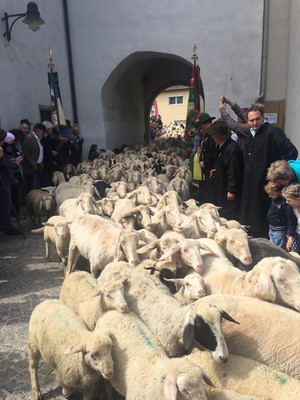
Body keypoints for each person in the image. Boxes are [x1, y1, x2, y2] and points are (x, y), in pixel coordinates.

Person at [239, 103, 298, 238]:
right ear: (247, 121)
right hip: (250, 185)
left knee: (262, 216)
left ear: (263, 117)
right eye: (251, 120)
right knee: (250, 216)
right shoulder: (252, 134)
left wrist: (278, 175)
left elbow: (291, 153)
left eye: (257, 119)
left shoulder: (273, 132)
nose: (254, 122)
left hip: (266, 185)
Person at [206, 118, 244, 220]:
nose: (212, 137)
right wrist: (217, 170)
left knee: (228, 212)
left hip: (227, 189)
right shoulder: (224, 147)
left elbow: (234, 169)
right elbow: (225, 165)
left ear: (217, 136)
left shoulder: (231, 149)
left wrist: (231, 190)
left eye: (213, 135)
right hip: (222, 185)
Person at [190, 112, 217, 203]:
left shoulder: (212, 135)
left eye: (201, 126)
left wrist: (205, 162)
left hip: (211, 168)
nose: (201, 129)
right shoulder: (208, 135)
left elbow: (213, 152)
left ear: (205, 124)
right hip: (207, 168)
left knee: (210, 191)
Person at [0, 128, 22, 235]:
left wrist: (9, 160)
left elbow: (4, 160)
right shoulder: (0, 149)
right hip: (3, 180)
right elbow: (5, 165)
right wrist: (16, 164)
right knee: (6, 203)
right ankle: (7, 227)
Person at [22, 123, 46, 192]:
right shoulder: (29, 138)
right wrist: (33, 164)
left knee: (37, 185)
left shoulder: (38, 139)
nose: (44, 134)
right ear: (38, 131)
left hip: (38, 166)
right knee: (33, 187)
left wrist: (40, 162)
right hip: (32, 167)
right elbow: (25, 154)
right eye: (43, 132)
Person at [264, 181, 288, 249]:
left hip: (280, 230)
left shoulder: (283, 202)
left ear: (279, 192)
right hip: (271, 228)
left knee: (279, 248)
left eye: (272, 194)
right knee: (272, 246)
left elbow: (287, 216)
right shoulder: (273, 200)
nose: (270, 196)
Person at [282, 184, 300, 254]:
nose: (286, 202)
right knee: (294, 253)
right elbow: (291, 223)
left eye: (289, 200)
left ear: (298, 199)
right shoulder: (290, 208)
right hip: (297, 234)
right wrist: (290, 236)